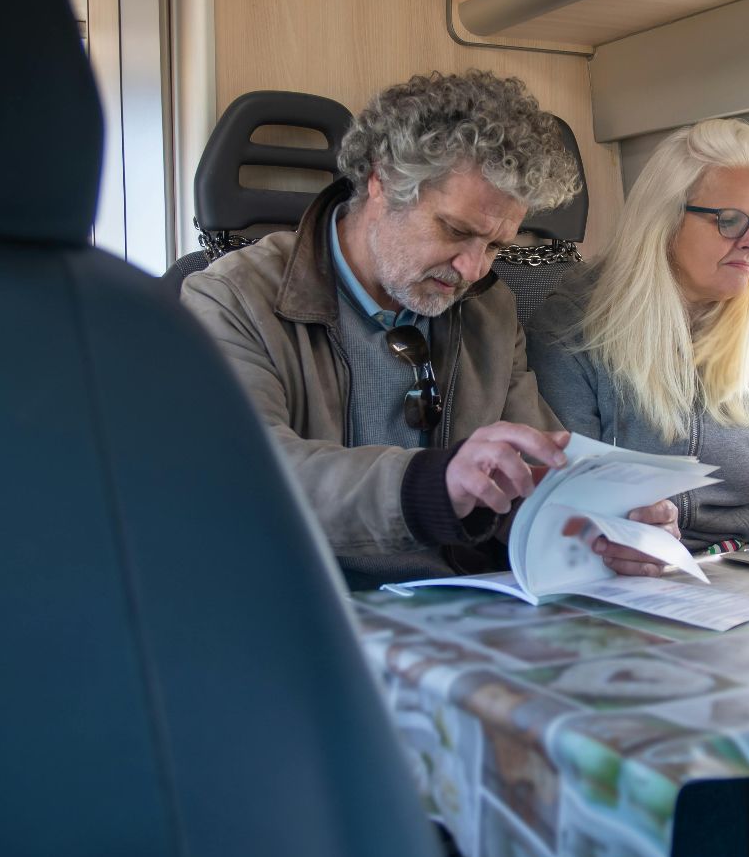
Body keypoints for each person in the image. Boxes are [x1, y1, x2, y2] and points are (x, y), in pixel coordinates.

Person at [182, 70, 678, 587]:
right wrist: (432, 486)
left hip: (459, 601)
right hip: (299, 601)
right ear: (381, 181)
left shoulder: (490, 311)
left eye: (495, 247)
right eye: (456, 231)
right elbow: (245, 477)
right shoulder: (231, 299)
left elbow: (530, 480)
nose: (473, 270)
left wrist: (602, 523)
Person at [526, 118, 749, 554]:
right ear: (665, 222)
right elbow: (557, 509)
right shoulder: (573, 334)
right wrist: (625, 532)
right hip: (622, 579)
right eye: (729, 221)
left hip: (743, 579)